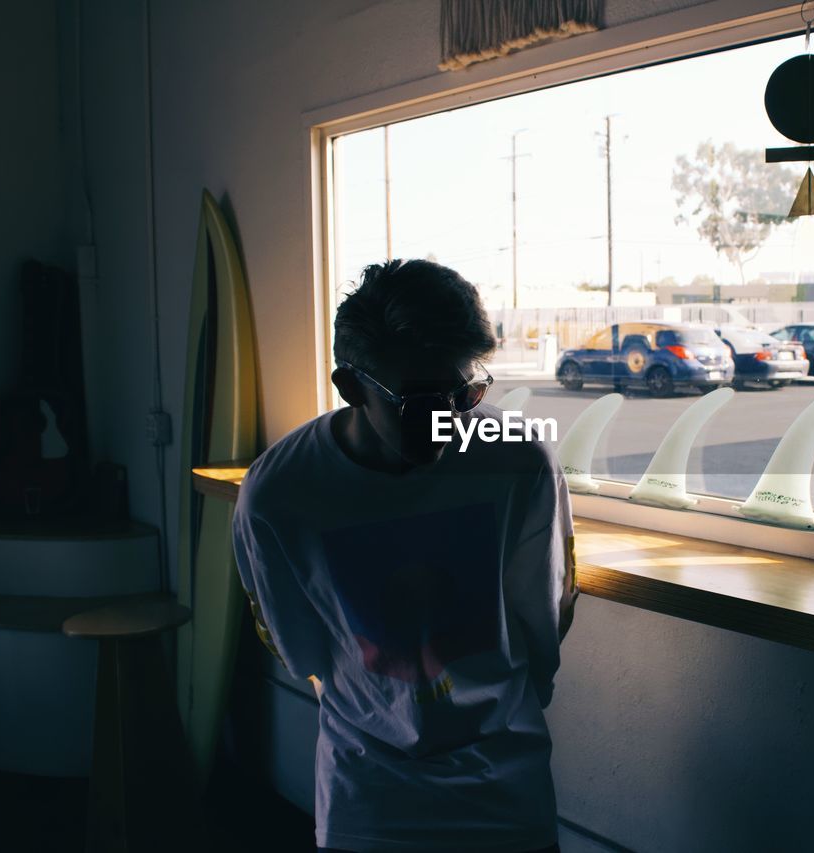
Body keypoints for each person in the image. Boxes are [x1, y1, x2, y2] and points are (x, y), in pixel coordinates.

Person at [231, 258, 578, 852]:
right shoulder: (282, 494)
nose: (446, 422)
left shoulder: (518, 460)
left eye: (464, 394)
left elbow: (545, 613)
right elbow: (298, 650)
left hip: (505, 786)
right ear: (351, 386)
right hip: (370, 796)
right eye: (420, 404)